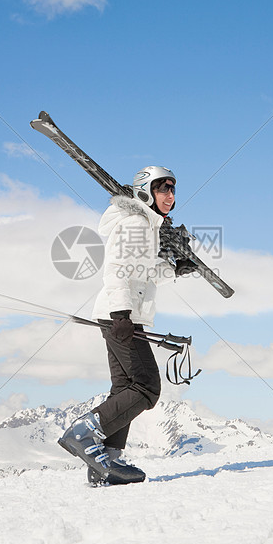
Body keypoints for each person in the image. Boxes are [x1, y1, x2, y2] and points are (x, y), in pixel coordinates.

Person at [58, 166, 194, 485]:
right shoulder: (135, 222)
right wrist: (121, 314)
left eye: (173, 190)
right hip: (121, 316)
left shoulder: (147, 226)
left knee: (124, 388)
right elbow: (117, 269)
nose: (170, 196)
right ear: (147, 191)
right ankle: (83, 433)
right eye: (163, 189)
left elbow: (144, 272)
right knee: (146, 386)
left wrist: (177, 268)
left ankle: (106, 463)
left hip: (127, 315)